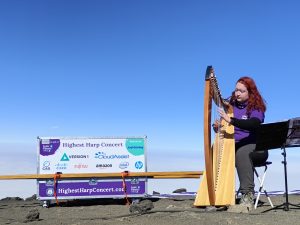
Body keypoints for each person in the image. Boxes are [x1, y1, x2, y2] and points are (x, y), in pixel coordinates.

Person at [215, 76, 267, 211]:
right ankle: (219, 195)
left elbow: (254, 123)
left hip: (257, 147)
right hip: (234, 146)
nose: (237, 93)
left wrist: (231, 120)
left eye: (241, 91)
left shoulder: (256, 106)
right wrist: (218, 126)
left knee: (242, 153)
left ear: (250, 92)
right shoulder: (230, 105)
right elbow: (225, 124)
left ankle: (247, 195)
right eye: (236, 90)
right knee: (217, 153)